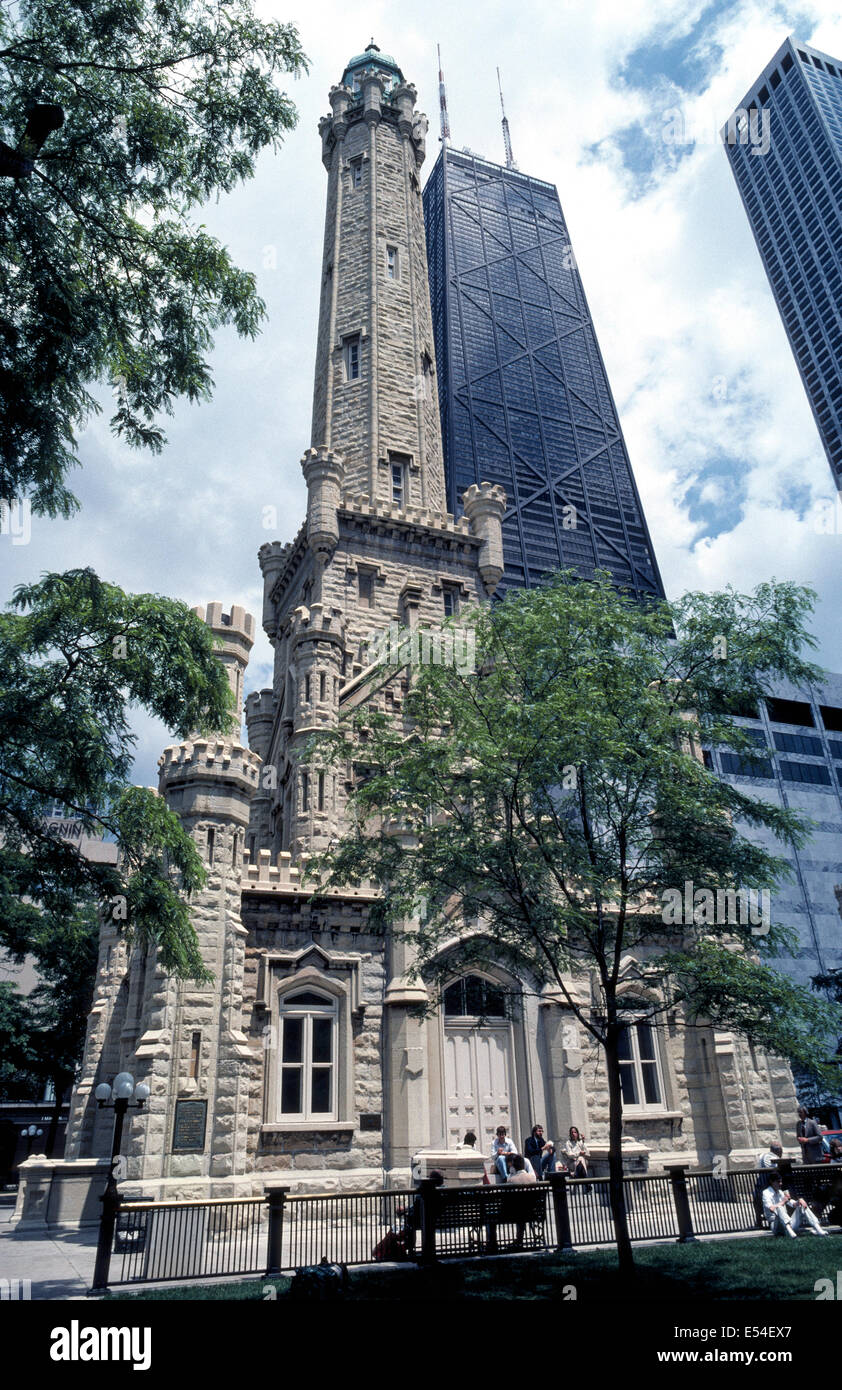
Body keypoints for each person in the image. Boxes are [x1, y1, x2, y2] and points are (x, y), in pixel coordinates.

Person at [762, 1172, 827, 1237]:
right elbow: (771, 1208)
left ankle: (818, 1229)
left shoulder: (780, 1192)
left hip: (788, 1224)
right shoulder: (766, 1193)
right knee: (779, 1208)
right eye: (778, 1182)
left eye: (781, 1182)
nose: (781, 1184)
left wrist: (799, 1201)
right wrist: (783, 1202)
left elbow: (793, 1204)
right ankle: (790, 1233)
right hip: (776, 1226)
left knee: (801, 1205)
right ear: (771, 1182)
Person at [753, 1141, 783, 1227]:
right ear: (779, 1151)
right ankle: (773, 1221)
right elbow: (776, 1172)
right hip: (769, 1185)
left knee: (757, 1201)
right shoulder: (776, 1158)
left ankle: (759, 1222)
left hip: (759, 1185)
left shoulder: (762, 1156)